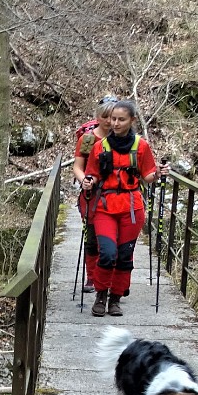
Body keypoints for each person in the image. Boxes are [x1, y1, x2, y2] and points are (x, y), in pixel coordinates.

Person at [83, 98, 158, 317]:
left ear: (132, 120)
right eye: (113, 119)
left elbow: (148, 176)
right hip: (105, 207)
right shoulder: (100, 146)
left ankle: (115, 299)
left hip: (131, 208)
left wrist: (160, 173)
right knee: (107, 253)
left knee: (125, 256)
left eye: (121, 120)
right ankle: (101, 295)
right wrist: (89, 181)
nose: (115, 123)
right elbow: (92, 173)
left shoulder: (141, 146)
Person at [73, 96, 117, 291]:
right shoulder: (88, 139)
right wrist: (84, 180)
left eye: (113, 116)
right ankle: (91, 277)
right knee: (91, 237)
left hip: (117, 194)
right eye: (105, 116)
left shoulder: (125, 140)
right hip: (92, 194)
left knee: (113, 239)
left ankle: (107, 277)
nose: (109, 121)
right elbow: (78, 166)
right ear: (97, 117)